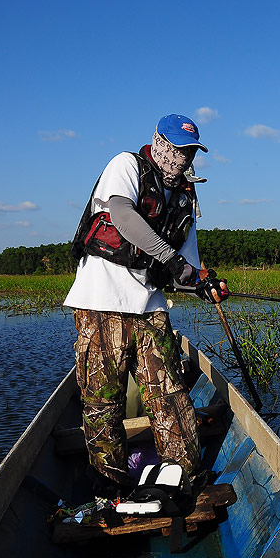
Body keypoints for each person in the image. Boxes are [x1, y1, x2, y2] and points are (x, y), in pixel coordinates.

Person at [63, 113, 228, 496]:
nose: (180, 158)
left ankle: (185, 478)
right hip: (100, 298)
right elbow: (122, 216)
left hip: (150, 304)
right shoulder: (126, 166)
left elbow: (183, 268)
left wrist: (202, 283)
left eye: (188, 151)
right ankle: (110, 486)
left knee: (170, 392)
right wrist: (172, 261)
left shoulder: (186, 199)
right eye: (174, 148)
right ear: (157, 142)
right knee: (103, 398)